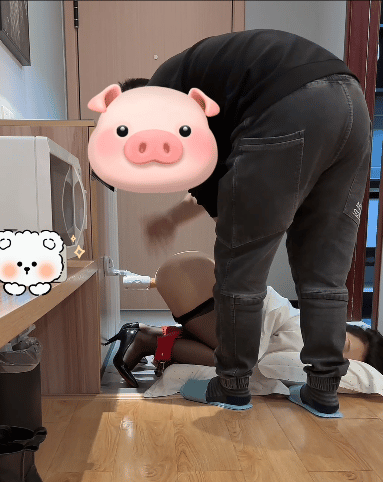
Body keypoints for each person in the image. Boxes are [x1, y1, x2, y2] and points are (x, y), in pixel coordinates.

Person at [106, 30, 373, 416]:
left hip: (291, 105)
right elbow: (223, 180)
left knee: (240, 268)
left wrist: (237, 235)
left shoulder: (160, 100)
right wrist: (175, 217)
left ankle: (232, 386)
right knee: (325, 275)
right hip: (352, 108)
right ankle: (323, 390)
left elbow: (218, 189)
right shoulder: (200, 83)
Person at [110, 248, 383, 389]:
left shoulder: (309, 353)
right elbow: (268, 321)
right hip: (199, 285)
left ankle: (146, 335)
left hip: (207, 298)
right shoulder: (306, 327)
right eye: (343, 343)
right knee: (234, 362)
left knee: (231, 358)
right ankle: (148, 340)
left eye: (342, 359)